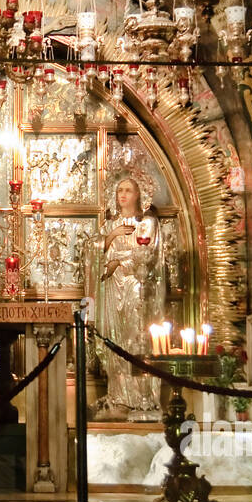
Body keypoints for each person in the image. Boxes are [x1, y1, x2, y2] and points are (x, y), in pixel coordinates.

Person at [94, 177, 164, 417]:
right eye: (119, 190)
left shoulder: (147, 223)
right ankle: (119, 397)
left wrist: (117, 261)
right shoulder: (109, 226)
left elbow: (147, 255)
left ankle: (142, 398)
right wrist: (111, 236)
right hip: (113, 289)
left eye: (128, 190)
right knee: (115, 340)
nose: (122, 195)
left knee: (136, 338)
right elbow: (93, 256)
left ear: (139, 194)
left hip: (137, 287)